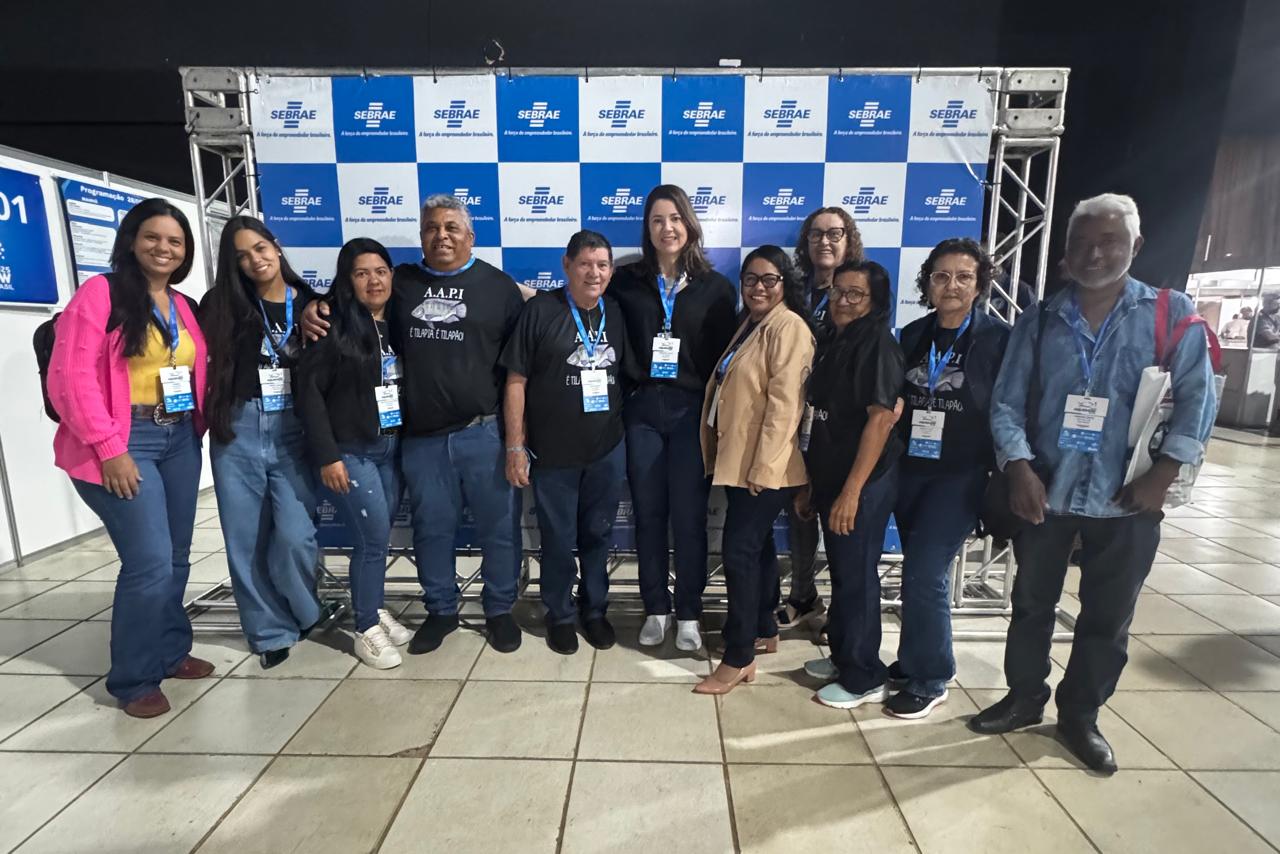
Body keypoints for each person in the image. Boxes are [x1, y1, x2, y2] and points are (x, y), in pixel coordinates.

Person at [971, 193, 1217, 774]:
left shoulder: (1170, 314)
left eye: (1108, 241)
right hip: (1047, 494)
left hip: (1128, 497)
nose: (1094, 253)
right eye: (1081, 243)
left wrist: (1164, 474)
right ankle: (1024, 696)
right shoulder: (1038, 321)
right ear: (1065, 251)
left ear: (1136, 245)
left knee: (1107, 618)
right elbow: (1006, 404)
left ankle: (1080, 716)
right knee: (1030, 605)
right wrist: (1018, 467)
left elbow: (1198, 402)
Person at [303, 195, 526, 655]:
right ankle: (441, 610)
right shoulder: (401, 281)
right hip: (422, 440)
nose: (441, 235)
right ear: (421, 236)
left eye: (451, 227)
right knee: (432, 531)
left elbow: (519, 367)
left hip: (484, 433)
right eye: (431, 228)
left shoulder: (499, 287)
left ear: (471, 236)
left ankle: (499, 610)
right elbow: (350, 296)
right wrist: (314, 307)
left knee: (500, 528)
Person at [48, 198, 212, 717]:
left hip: (179, 437)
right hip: (124, 441)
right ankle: (134, 678)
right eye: (153, 237)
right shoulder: (101, 294)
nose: (164, 248)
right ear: (132, 241)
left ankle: (171, 650)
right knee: (149, 562)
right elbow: (70, 379)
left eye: (175, 241)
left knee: (177, 556)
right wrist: (109, 448)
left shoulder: (182, 305)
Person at [883, 239, 1009, 719]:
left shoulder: (998, 339)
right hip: (911, 469)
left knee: (924, 572)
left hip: (961, 474)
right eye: (941, 276)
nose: (951, 285)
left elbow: (1010, 406)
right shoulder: (914, 334)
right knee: (917, 570)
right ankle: (915, 658)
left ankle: (932, 677)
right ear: (928, 283)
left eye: (963, 276)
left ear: (979, 284)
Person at [610, 185, 737, 652]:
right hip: (642, 410)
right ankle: (655, 608)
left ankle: (688, 611)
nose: (667, 228)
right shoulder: (625, 282)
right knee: (648, 515)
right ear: (647, 229)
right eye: (657, 220)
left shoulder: (716, 288)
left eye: (675, 218)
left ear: (690, 225)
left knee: (688, 517)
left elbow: (724, 362)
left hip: (690, 413)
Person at [202, 216, 326, 669]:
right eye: (242, 256)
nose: (255, 260)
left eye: (260, 248)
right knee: (246, 540)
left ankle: (306, 611)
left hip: (295, 429)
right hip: (239, 428)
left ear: (275, 245)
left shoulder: (312, 302)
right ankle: (269, 632)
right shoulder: (220, 304)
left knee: (295, 536)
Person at [693, 246, 814, 695]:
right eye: (750, 279)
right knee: (758, 547)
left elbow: (786, 406)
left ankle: (739, 655)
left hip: (766, 468)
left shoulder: (790, 327)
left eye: (768, 279)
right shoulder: (753, 323)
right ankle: (764, 626)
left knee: (739, 552)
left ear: (785, 283)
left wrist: (763, 468)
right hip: (741, 461)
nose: (758, 287)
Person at [501, 230, 629, 654]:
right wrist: (515, 446)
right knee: (557, 539)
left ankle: (594, 610)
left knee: (598, 534)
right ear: (567, 265)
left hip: (606, 448)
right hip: (554, 452)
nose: (595, 273)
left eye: (603, 265)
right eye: (585, 264)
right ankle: (559, 614)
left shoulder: (616, 312)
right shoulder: (540, 311)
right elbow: (516, 381)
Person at [296, 238, 412, 670]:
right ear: (348, 280)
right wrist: (329, 456)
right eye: (362, 273)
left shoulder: (399, 319)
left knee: (378, 539)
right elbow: (309, 394)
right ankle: (365, 628)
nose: (373, 281)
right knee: (371, 539)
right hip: (351, 452)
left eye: (380, 271)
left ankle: (374, 608)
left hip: (392, 447)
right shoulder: (331, 325)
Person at [796, 261, 905, 710]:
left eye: (855, 294)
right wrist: (814, 485)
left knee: (857, 576)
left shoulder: (877, 344)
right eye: (838, 291)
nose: (842, 300)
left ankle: (864, 675)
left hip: (863, 482)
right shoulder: (833, 338)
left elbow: (880, 420)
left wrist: (852, 491)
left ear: (875, 301)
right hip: (831, 474)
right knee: (842, 572)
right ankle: (843, 657)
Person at [780, 206, 865, 633]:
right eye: (816, 234)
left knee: (839, 519)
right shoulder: (793, 290)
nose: (824, 241)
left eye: (834, 233)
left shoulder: (859, 291)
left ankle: (844, 611)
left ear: (849, 240)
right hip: (794, 415)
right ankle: (803, 596)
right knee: (800, 508)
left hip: (841, 422)